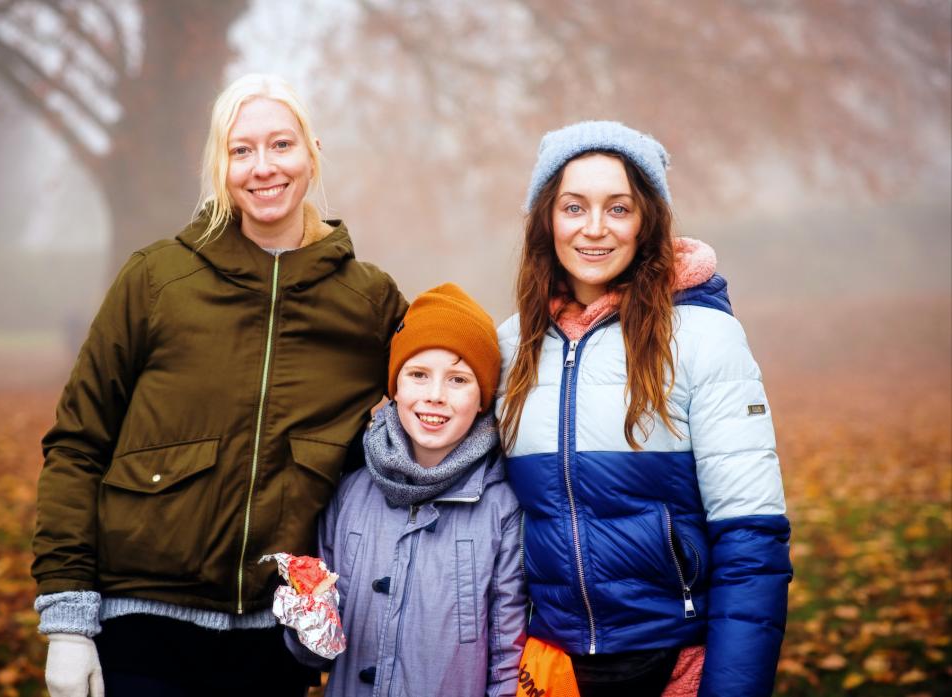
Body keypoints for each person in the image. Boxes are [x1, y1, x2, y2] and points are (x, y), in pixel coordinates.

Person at [30, 73, 407, 696]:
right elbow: (77, 445)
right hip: (142, 625)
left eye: (281, 145)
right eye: (241, 150)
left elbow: (446, 386)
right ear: (220, 165)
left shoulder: (366, 303)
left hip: (275, 643)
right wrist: (68, 623)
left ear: (312, 153)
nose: (263, 167)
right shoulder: (157, 279)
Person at [497, 121, 792, 696]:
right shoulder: (512, 348)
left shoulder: (704, 338)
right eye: (574, 207)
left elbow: (751, 537)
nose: (595, 229)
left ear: (646, 220)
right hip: (551, 668)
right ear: (547, 221)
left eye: (619, 208)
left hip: (675, 664)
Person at [287, 283, 527, 696]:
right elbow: (312, 654)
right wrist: (305, 620)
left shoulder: (502, 506)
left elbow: (509, 655)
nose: (435, 396)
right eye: (418, 375)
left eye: (458, 379)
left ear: (483, 398)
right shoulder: (350, 494)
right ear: (395, 387)